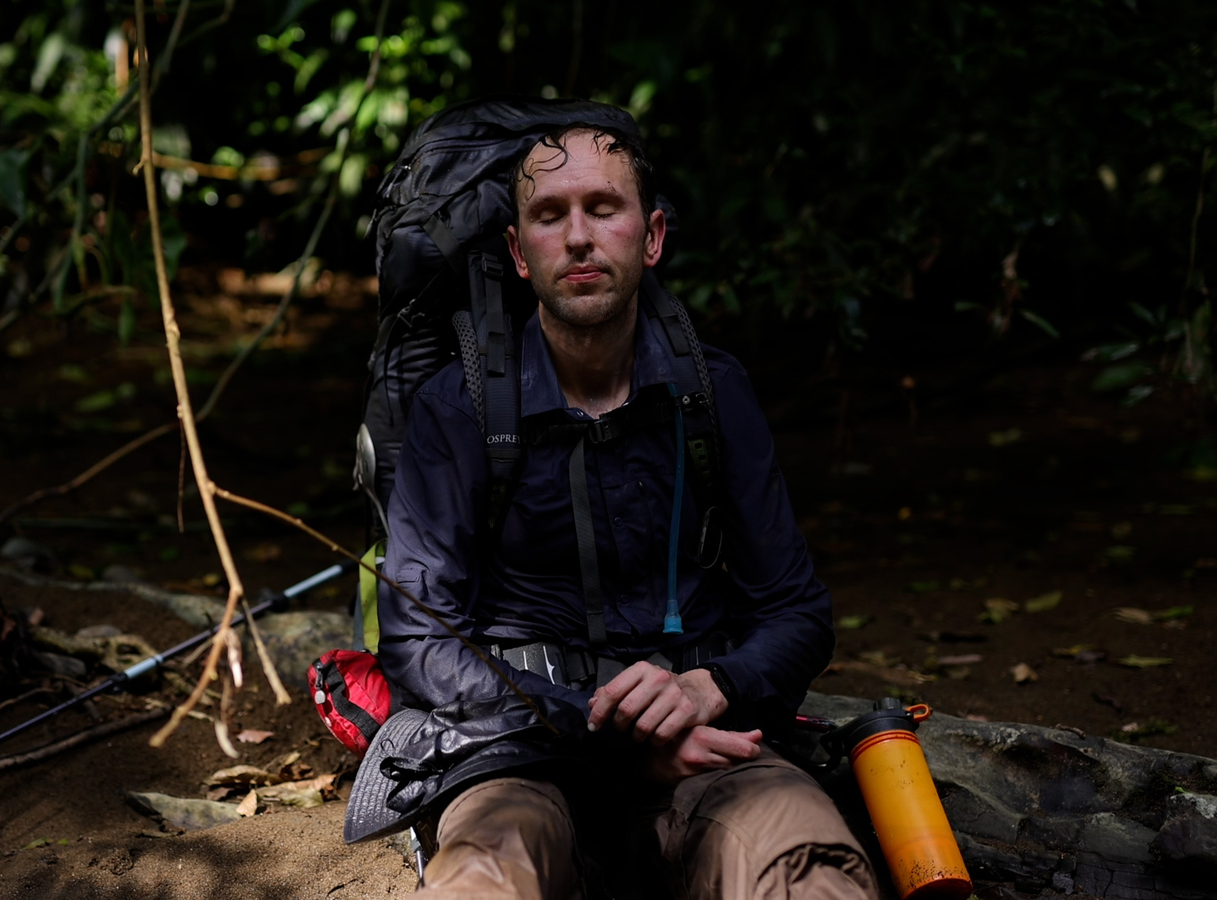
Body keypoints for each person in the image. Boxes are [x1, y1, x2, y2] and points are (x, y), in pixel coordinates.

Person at [374, 122, 878, 900]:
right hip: (522, 753)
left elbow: (797, 612)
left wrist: (715, 686)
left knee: (810, 873)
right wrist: (598, 730)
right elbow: (417, 638)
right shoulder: (460, 409)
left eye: (604, 208)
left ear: (651, 237)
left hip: (705, 748)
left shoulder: (713, 394)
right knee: (480, 879)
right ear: (517, 251)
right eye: (550, 215)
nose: (577, 237)